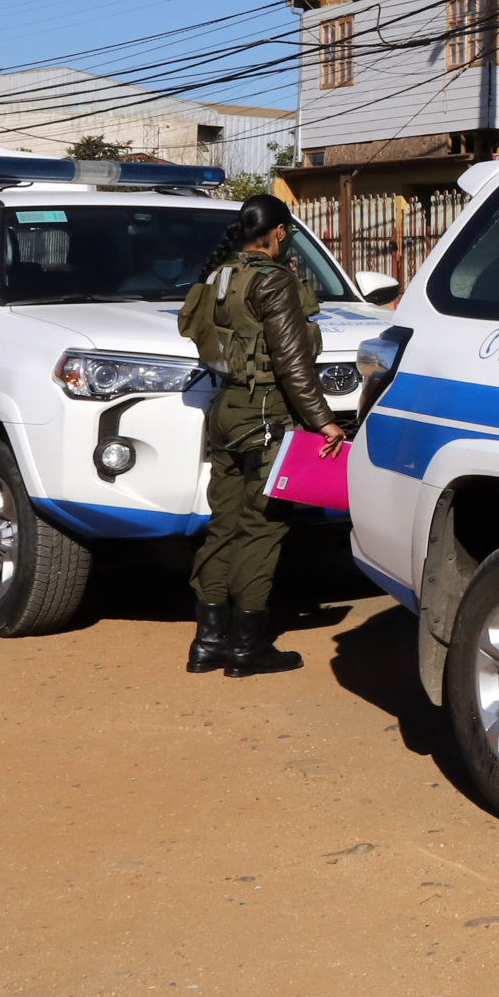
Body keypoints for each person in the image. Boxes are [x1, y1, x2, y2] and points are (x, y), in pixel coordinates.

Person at [178, 195, 345, 676]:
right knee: (262, 527)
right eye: (287, 232)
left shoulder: (216, 277)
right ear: (275, 231)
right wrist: (323, 421)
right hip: (268, 415)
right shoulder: (273, 281)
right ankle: (247, 648)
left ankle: (207, 643)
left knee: (223, 525)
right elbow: (293, 364)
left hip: (226, 409)